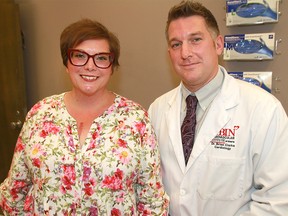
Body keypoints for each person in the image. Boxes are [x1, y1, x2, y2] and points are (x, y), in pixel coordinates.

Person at [0, 18, 169, 215]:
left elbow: (152, 201)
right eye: (79, 56)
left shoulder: (135, 119)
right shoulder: (40, 114)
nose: (90, 66)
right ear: (66, 62)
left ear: (112, 66)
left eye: (101, 58)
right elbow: (14, 192)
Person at [148, 1, 288, 215]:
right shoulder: (157, 110)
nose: (185, 53)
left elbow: (277, 200)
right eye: (176, 44)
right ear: (169, 53)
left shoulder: (263, 110)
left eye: (195, 40)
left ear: (218, 44)